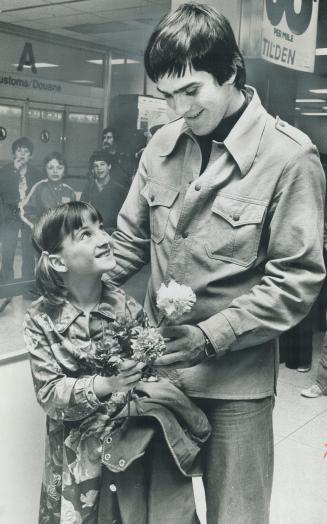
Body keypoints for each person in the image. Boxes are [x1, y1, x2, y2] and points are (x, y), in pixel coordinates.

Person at [107, 4, 326, 523]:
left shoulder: (290, 158)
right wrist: (71, 289)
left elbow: (296, 281)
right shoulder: (160, 144)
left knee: (238, 515)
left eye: (191, 91)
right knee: (154, 514)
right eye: (166, 94)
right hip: (157, 376)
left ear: (231, 71)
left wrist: (210, 336)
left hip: (236, 388)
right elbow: (128, 241)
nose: (179, 108)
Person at [24, 201, 210, 524]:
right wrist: (107, 385)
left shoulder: (124, 305)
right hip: (75, 466)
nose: (104, 237)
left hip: (130, 456)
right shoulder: (40, 319)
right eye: (86, 234)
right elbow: (50, 396)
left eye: (100, 226)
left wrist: (151, 364)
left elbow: (153, 371)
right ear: (57, 261)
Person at [0, 136, 42, 282]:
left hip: (29, 216)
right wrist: (14, 172)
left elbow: (38, 196)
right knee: (8, 252)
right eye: (19, 150)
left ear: (31, 155)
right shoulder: (5, 171)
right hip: (10, 215)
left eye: (26, 151)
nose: (22, 154)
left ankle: (27, 285)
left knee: (28, 252)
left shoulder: (37, 174)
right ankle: (6, 285)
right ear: (13, 154)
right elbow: (3, 193)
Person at [21, 151, 76, 228]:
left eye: (59, 168)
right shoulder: (39, 187)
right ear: (45, 170)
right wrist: (38, 226)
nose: (55, 171)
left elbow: (73, 216)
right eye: (50, 168)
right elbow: (25, 211)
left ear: (64, 171)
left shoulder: (69, 191)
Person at [80, 150, 127, 233]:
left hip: (113, 233)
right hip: (92, 233)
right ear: (92, 170)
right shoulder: (88, 188)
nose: (99, 168)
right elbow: (81, 212)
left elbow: (125, 217)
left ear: (109, 166)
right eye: (95, 166)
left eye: (102, 164)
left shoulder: (120, 190)